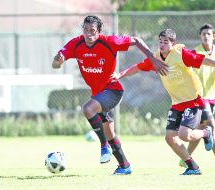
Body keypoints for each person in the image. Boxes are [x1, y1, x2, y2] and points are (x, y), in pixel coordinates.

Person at [111, 29, 215, 175]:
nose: (161, 45)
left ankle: (206, 133)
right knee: (170, 138)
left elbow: (203, 60)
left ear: (172, 44)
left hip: (193, 100)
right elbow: (138, 67)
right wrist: (120, 75)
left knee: (184, 135)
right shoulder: (156, 58)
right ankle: (193, 167)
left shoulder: (180, 54)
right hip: (177, 103)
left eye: (165, 42)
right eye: (160, 41)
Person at [52, 15, 169, 175]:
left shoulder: (109, 42)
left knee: (88, 109)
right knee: (110, 133)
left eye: (92, 30)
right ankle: (124, 165)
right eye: (86, 30)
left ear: (99, 31)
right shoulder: (76, 43)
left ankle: (103, 146)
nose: (88, 34)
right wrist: (58, 61)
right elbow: (57, 63)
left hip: (113, 90)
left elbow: (135, 40)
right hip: (99, 94)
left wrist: (153, 59)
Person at [179, 23, 215, 169]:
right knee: (211, 126)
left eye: (208, 34)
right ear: (200, 36)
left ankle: (185, 159)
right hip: (199, 97)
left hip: (212, 96)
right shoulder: (195, 52)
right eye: (203, 34)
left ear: (213, 36)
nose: (206, 36)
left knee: (201, 129)